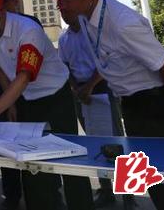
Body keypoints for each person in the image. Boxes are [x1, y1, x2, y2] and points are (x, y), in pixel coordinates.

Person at [50, 0, 164, 210]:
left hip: (153, 103)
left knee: (163, 182)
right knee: (153, 179)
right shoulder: (86, 18)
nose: (62, 5)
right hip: (130, 102)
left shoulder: (123, 23)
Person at [0, 0, 94, 210]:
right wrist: (11, 105)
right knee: (33, 164)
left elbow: (24, 76)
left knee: (70, 160)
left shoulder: (28, 30)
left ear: (1, 10)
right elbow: (0, 70)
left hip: (56, 96)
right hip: (26, 100)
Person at [57, 12, 116, 208]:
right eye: (61, 9)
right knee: (94, 142)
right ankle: (106, 189)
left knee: (116, 142)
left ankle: (128, 195)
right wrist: (76, 88)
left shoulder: (94, 32)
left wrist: (89, 86)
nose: (65, 12)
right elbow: (65, 66)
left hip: (102, 87)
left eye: (67, 6)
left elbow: (106, 61)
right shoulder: (64, 39)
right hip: (80, 92)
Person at [0, 0, 41, 210]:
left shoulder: (30, 25)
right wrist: (8, 103)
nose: (1, 8)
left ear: (15, 1)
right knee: (6, 143)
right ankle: (11, 194)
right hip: (5, 89)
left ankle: (38, 194)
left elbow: (27, 73)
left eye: (5, 2)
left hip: (32, 90)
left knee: (33, 144)